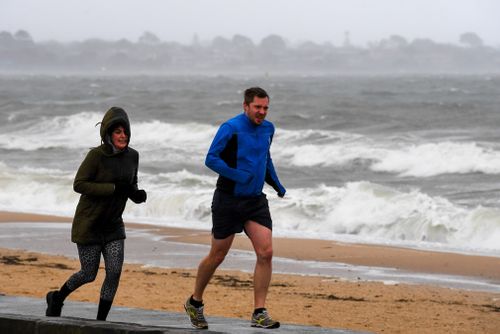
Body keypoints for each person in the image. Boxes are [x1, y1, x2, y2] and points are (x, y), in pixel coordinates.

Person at [184, 87, 286, 329]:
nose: (262, 112)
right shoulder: (230, 128)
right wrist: (239, 176)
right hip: (228, 200)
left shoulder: (268, 129)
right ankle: (194, 302)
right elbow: (211, 158)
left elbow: (265, 158)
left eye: (265, 108)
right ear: (246, 106)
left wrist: (277, 184)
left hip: (255, 201)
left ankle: (259, 312)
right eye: (257, 107)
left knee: (266, 252)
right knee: (218, 255)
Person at [45, 106, 147, 321]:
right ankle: (57, 297)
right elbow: (79, 184)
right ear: (109, 134)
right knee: (88, 274)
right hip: (89, 223)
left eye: (125, 132)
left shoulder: (133, 156)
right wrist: (112, 188)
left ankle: (101, 322)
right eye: (118, 132)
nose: (123, 136)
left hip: (113, 225)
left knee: (114, 272)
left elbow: (131, 182)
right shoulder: (95, 156)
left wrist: (135, 194)